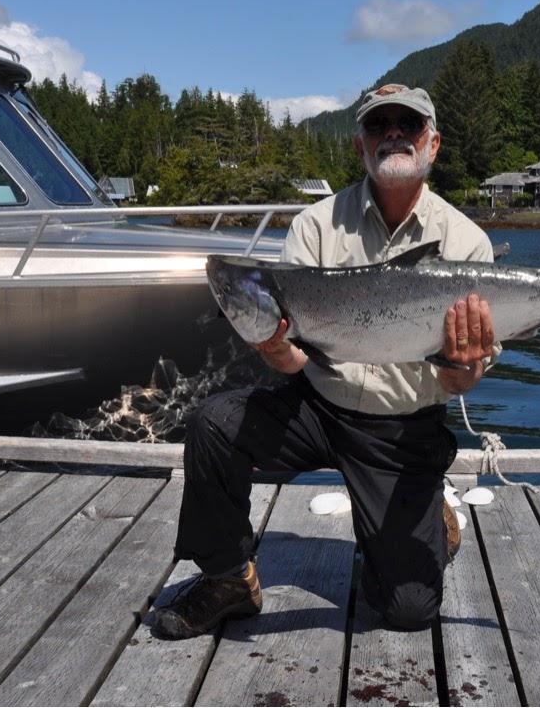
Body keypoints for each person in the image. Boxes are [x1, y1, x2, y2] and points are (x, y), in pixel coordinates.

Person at [153, 83, 497, 639]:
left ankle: (434, 518)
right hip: (316, 406)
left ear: (433, 143)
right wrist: (273, 347)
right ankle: (226, 578)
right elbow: (292, 363)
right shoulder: (315, 226)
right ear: (360, 145)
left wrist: (464, 362)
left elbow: (464, 381)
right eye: (377, 126)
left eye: (406, 126)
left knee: (407, 610)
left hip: (403, 429)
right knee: (213, 424)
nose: (392, 135)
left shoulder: (467, 242)